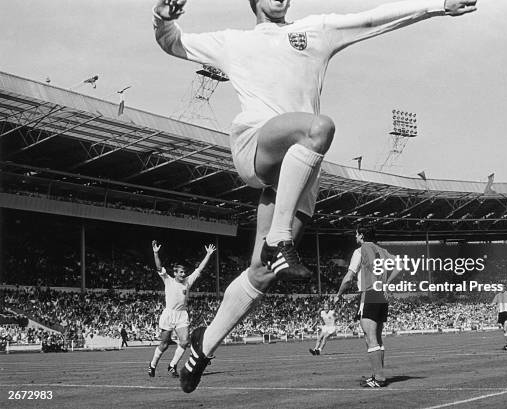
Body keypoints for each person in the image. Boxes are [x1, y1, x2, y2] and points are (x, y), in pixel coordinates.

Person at [152, 0, 477, 393]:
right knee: (319, 128)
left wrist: (437, 6)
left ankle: (201, 350)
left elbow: (373, 19)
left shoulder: (316, 31)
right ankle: (279, 240)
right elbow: (172, 43)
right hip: (259, 146)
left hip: (300, 175)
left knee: (260, 274)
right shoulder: (233, 42)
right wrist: (163, 17)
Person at [334, 227, 400, 387]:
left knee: (370, 337)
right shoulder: (382, 250)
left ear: (362, 235)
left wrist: (339, 293)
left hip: (369, 294)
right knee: (376, 337)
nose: (355, 236)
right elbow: (400, 265)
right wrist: (386, 283)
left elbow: (349, 277)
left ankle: (379, 378)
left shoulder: (360, 251)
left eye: (356, 234)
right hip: (381, 296)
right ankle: (377, 374)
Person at [148, 240, 216, 378]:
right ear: (175, 273)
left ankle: (172, 366)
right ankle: (153, 364)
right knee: (164, 344)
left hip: (181, 315)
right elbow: (159, 267)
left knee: (184, 341)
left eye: (184, 272)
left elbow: (199, 269)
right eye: (181, 272)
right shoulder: (168, 280)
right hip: (169, 314)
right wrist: (155, 253)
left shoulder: (188, 281)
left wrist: (208, 254)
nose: (183, 274)